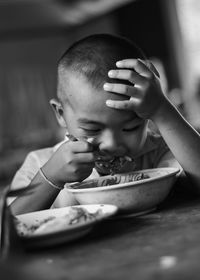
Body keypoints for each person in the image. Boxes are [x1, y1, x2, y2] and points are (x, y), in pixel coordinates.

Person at [10, 33, 200, 215]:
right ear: (61, 114)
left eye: (130, 127)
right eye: (92, 129)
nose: (112, 144)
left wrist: (162, 110)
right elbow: (6, 232)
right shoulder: (40, 164)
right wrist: (50, 179)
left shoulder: (164, 153)